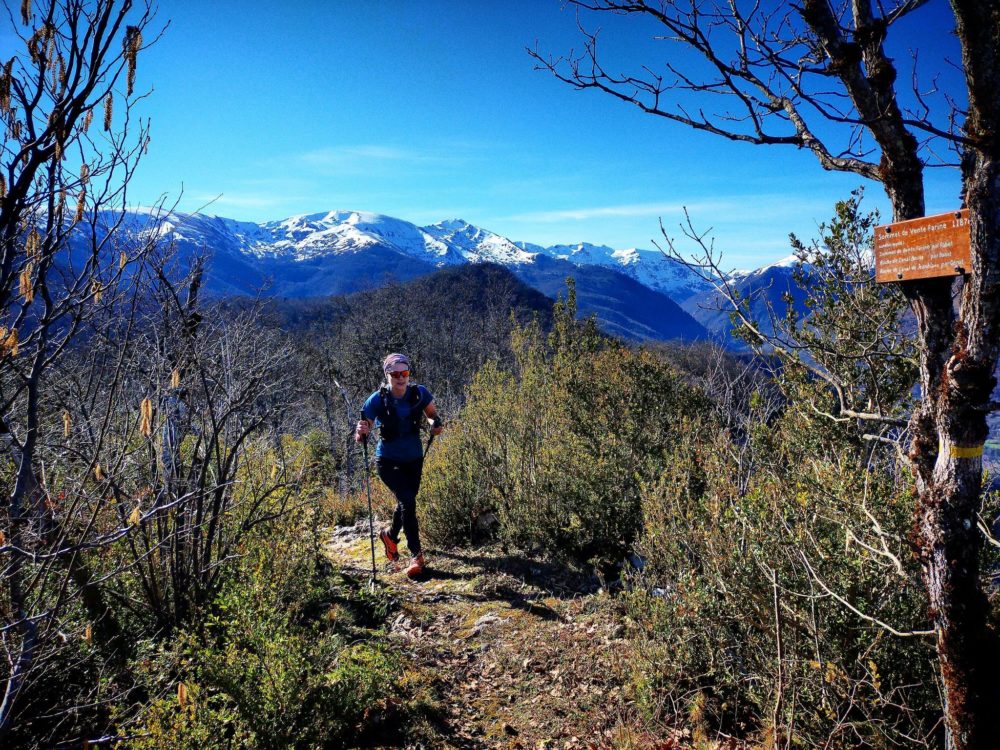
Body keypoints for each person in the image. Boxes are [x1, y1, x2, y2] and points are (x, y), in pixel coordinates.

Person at [355, 353, 443, 577]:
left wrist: (435, 423)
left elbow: (431, 414)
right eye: (395, 374)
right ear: (387, 375)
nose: (400, 378)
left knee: (406, 503)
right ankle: (416, 555)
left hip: (414, 459)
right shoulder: (377, 399)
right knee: (408, 502)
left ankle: (390, 536)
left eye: (404, 373)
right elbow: (363, 432)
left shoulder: (419, 393)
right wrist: (361, 433)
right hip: (388, 461)